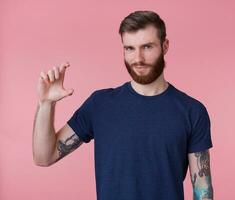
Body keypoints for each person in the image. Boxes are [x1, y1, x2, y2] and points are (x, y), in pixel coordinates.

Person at [33, 10, 214, 200]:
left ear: (165, 46)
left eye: (147, 47)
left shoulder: (192, 111)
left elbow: (203, 190)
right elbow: (44, 156)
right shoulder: (100, 104)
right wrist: (46, 104)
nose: (138, 58)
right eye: (129, 48)